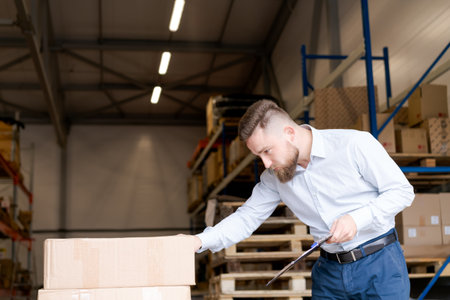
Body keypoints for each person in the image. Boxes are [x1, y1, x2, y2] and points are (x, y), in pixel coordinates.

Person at [190, 99, 414, 299]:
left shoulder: (354, 145)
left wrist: (357, 219)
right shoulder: (274, 177)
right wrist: (198, 242)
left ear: (289, 133)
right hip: (330, 272)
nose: (266, 164)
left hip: (380, 264)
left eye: (267, 151)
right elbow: (246, 217)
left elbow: (401, 191)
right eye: (258, 156)